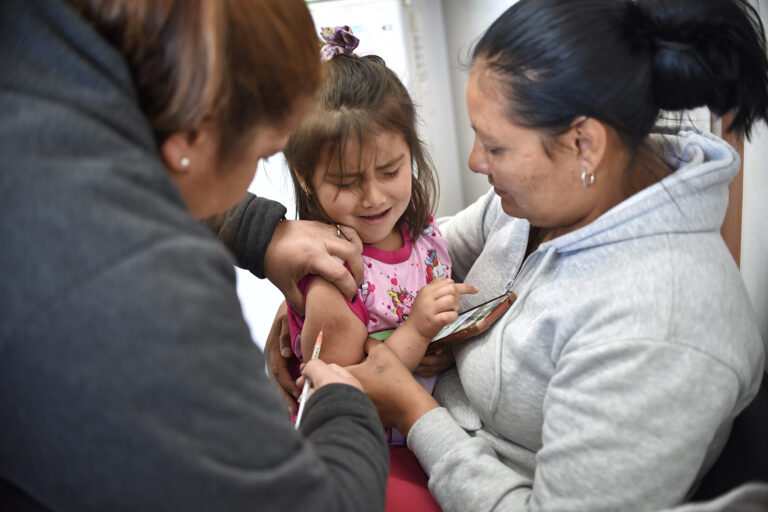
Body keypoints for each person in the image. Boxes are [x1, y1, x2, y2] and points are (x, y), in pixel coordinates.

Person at [266, 0, 768, 510]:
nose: (474, 161)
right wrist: (317, 293)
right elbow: (418, 253)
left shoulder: (663, 325)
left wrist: (411, 409)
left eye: (495, 146)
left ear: (583, 144)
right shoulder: (544, 199)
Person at [0, 0, 389, 510]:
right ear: (193, 135)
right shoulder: (133, 280)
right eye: (261, 154)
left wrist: (261, 233)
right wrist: (342, 406)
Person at [281, 26, 475, 434]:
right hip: (373, 452)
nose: (373, 197)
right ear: (304, 176)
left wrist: (446, 344)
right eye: (347, 182)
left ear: (411, 152)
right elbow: (345, 391)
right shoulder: (333, 275)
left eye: (390, 171)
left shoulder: (422, 231)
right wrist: (417, 332)